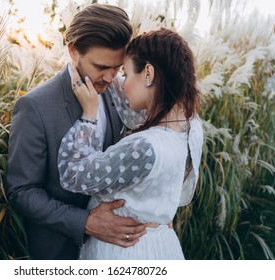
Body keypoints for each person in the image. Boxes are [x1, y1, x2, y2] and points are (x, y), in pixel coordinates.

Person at [6, 3, 148, 260]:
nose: (110, 77)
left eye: (117, 67)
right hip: (60, 251)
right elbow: (22, 191)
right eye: (101, 66)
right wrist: (85, 222)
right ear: (73, 51)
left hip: (112, 252)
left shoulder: (119, 91)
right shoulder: (34, 106)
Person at [58, 28, 204, 259]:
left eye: (124, 74)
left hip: (124, 252)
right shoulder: (191, 125)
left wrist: (89, 114)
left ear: (148, 73)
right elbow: (135, 111)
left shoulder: (144, 147)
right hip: (161, 247)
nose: (121, 84)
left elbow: (75, 173)